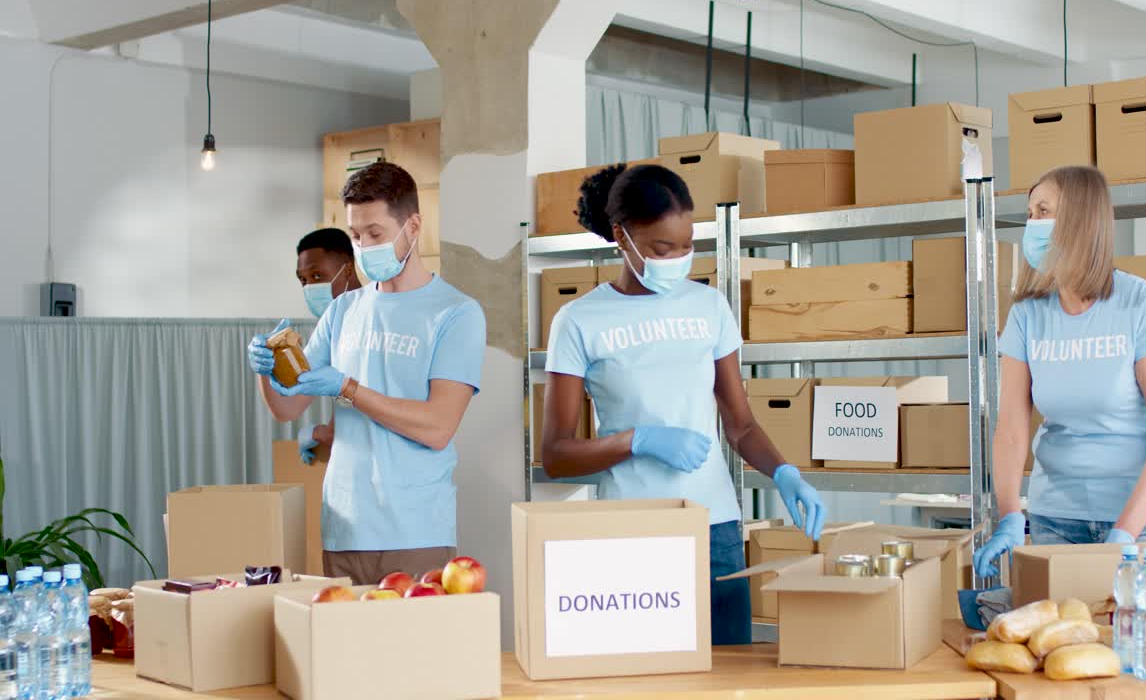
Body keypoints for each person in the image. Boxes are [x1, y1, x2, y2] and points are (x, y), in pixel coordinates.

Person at [541, 163, 827, 645]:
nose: (677, 259)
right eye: (661, 249)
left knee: (728, 673)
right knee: (641, 672)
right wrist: (637, 440)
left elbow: (741, 425)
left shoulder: (709, 306)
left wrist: (784, 473)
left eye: (687, 246)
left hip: (714, 528)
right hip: (631, 531)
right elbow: (556, 455)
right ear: (621, 236)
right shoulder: (578, 321)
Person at [246, 161, 485, 585]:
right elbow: (287, 406)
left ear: (413, 227)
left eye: (375, 234)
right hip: (343, 529)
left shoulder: (455, 313)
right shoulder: (343, 310)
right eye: (356, 236)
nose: (363, 246)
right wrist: (266, 366)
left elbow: (437, 427)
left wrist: (348, 387)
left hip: (414, 529)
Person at [974, 165, 1146, 578]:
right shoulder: (1028, 315)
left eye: (1043, 211)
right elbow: (1011, 429)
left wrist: (1125, 534)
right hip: (1057, 519)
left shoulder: (1139, 304)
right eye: (1030, 214)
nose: (1032, 224)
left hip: (1144, 522)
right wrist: (1010, 514)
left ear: (1081, 219)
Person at [293, 228, 362, 464]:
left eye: (317, 275)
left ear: (348, 269)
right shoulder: (334, 325)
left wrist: (314, 433)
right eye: (303, 280)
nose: (309, 287)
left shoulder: (364, 321)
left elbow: (349, 422)